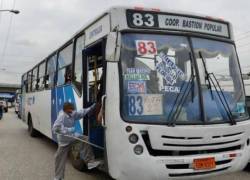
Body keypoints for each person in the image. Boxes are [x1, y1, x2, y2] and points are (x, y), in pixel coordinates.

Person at [52, 102, 100, 180]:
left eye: (72, 109)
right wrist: (68, 130)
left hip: (72, 137)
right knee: (59, 159)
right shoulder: (61, 116)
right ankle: (58, 178)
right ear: (66, 110)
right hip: (64, 141)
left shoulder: (72, 113)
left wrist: (91, 107)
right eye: (70, 109)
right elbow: (55, 128)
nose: (72, 110)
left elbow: (81, 113)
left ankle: (90, 162)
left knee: (85, 139)